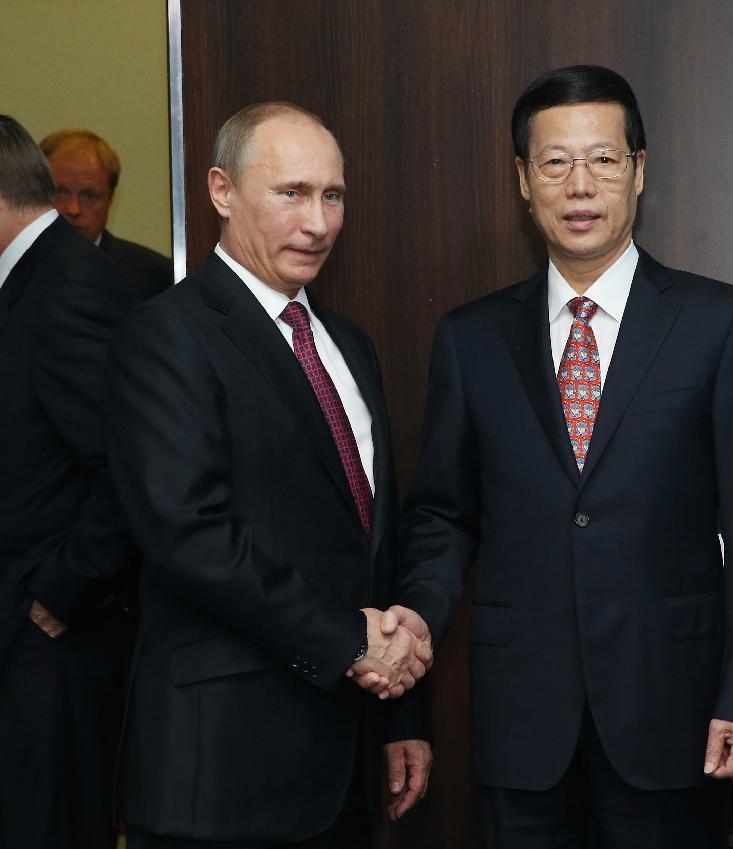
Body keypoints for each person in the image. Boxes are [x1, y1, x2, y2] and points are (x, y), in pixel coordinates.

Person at [396, 65, 733, 848]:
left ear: (639, 171)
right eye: (555, 162)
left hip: (674, 713)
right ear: (523, 178)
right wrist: (412, 619)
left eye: (604, 159)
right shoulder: (471, 339)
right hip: (521, 722)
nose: (580, 184)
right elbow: (444, 514)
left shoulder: (722, 323)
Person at [105, 102, 433, 849]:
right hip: (221, 772)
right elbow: (190, 536)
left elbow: (369, 545)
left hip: (341, 764)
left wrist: (398, 716)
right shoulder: (165, 335)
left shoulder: (348, 344)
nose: (317, 222)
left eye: (333, 195)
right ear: (221, 191)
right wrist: (351, 642)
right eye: (290, 193)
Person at [0, 115, 153, 849]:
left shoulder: (65, 288)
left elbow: (130, 464)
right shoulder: (37, 277)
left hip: (54, 643)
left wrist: (63, 590)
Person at [40, 127, 173, 293]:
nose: (73, 209)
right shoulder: (10, 267)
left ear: (110, 199)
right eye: (60, 192)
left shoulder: (157, 277)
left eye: (89, 196)